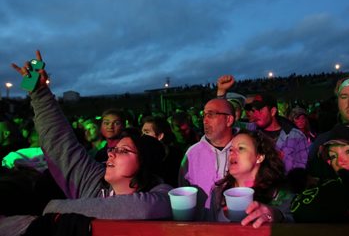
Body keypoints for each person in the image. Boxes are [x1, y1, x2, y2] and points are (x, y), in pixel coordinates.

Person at [11, 50, 172, 220]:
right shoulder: (93, 181)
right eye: (114, 149)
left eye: (123, 150)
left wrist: (55, 207)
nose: (111, 153)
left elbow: (147, 208)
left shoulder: (161, 192)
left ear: (144, 162)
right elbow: (61, 143)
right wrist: (40, 93)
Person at [216, 74, 308, 174]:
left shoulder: (296, 136)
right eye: (254, 110)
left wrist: (280, 160)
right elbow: (226, 122)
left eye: (259, 110)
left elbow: (301, 171)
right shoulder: (250, 130)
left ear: (272, 111)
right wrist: (221, 93)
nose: (255, 114)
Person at [209, 130, 293, 228]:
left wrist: (275, 215)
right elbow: (210, 228)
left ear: (259, 157)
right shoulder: (219, 193)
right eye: (231, 149)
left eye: (241, 148)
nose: (232, 153)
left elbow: (296, 226)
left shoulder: (278, 192)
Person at [178, 98, 236, 219]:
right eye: (204, 115)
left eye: (211, 115)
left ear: (229, 120)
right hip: (201, 231)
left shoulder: (244, 149)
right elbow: (181, 194)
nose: (204, 120)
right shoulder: (192, 154)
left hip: (238, 231)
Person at [141, 115, 183, 187]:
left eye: (147, 132)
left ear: (160, 136)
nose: (142, 136)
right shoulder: (142, 156)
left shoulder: (176, 155)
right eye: (142, 132)